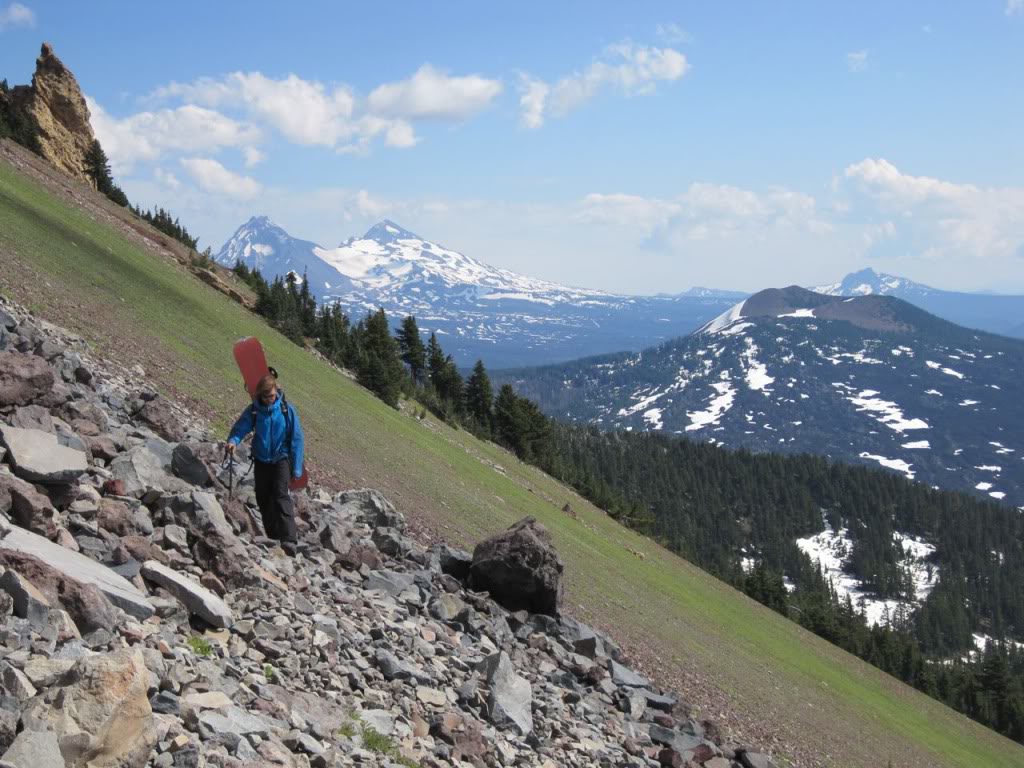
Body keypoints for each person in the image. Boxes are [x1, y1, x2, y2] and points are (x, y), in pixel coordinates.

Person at [225, 373, 304, 553]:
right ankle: (272, 535)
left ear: (277, 392)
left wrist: (297, 467)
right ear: (260, 395)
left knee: (281, 494)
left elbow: (297, 438)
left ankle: (289, 539)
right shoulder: (254, 410)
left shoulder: (286, 410)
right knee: (262, 496)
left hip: (281, 458)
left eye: (273, 395)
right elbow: (241, 428)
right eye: (266, 396)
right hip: (261, 459)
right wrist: (233, 441)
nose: (270, 399)